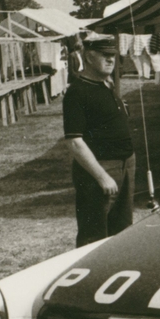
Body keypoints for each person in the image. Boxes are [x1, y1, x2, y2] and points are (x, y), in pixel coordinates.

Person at [63, 33, 136, 247]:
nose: (111, 59)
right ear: (88, 57)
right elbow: (75, 142)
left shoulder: (106, 85)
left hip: (125, 165)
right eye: (104, 55)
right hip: (101, 170)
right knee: (93, 237)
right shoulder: (77, 92)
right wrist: (102, 176)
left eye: (112, 55)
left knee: (122, 234)